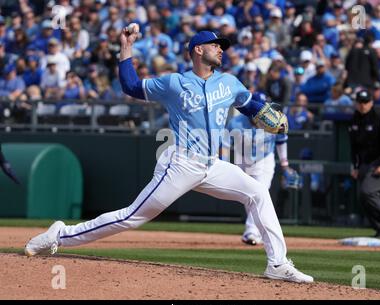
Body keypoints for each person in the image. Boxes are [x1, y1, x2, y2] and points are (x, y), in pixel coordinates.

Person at [25, 29, 313, 284]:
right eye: (215, 45)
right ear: (198, 50)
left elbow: (251, 106)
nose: (221, 49)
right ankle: (60, 235)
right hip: (181, 163)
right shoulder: (174, 83)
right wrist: (126, 48)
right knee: (132, 217)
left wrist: (268, 114)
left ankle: (277, 264)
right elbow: (131, 86)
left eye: (221, 46)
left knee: (258, 193)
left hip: (212, 165)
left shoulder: (229, 83)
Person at [222, 99, 300, 246]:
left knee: (259, 192)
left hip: (264, 161)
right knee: (248, 196)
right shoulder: (237, 122)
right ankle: (256, 230)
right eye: (261, 110)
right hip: (242, 160)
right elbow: (225, 144)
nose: (265, 113)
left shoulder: (273, 120)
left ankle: (251, 231)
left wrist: (285, 165)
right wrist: (223, 163)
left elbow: (281, 140)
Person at [348, 89, 380, 240]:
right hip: (366, 163)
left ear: (371, 102)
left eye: (365, 102)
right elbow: (354, 148)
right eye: (360, 102)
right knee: (362, 197)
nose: (363, 105)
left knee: (367, 192)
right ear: (356, 103)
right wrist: (356, 167)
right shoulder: (354, 119)